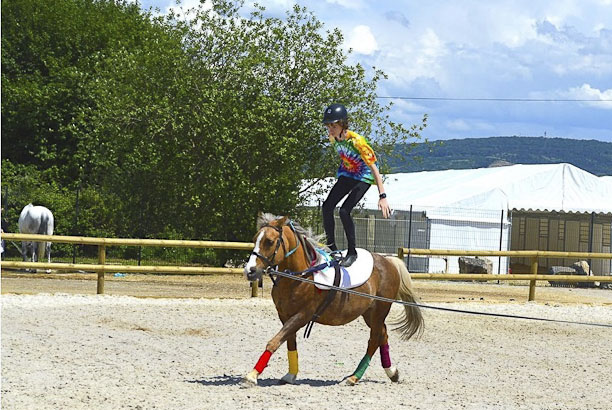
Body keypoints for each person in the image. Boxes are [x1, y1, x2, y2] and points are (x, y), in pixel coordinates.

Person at [321, 103, 391, 267]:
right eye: (328, 125)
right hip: (348, 173)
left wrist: (382, 196)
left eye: (334, 125)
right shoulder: (333, 138)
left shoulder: (358, 142)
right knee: (327, 207)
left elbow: (374, 168)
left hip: (364, 176)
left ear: (343, 124)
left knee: (344, 210)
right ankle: (332, 248)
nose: (330, 129)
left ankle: (352, 252)